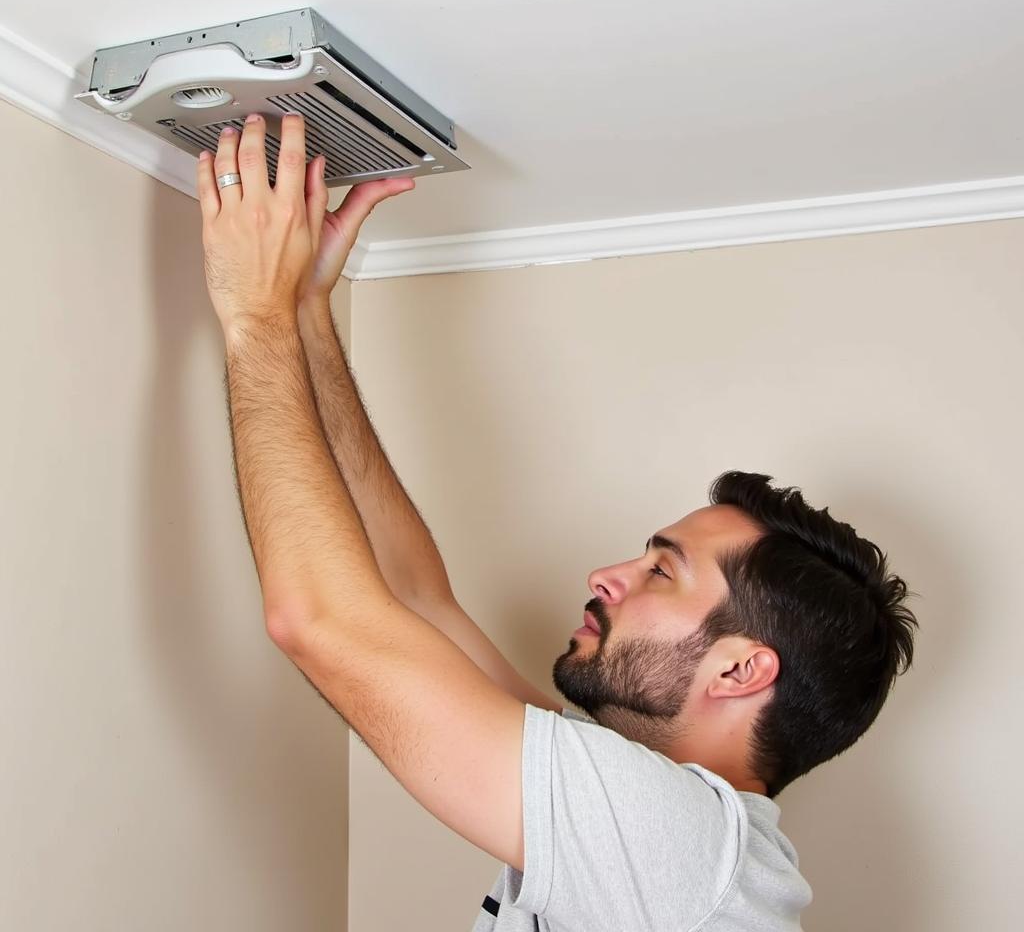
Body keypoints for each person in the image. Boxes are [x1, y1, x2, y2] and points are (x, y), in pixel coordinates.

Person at [197, 114, 919, 932]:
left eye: (661, 572)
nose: (605, 576)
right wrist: (306, 313)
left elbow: (320, 624)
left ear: (740, 671)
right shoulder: (676, 838)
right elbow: (415, 598)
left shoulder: (679, 843)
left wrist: (252, 318)